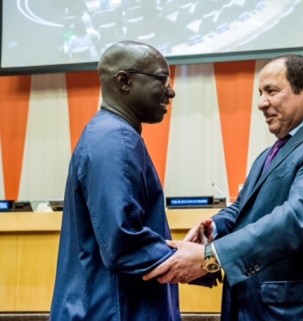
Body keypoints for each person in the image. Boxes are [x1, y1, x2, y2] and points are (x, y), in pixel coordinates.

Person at [143, 55, 303, 320]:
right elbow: (244, 207)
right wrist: (214, 228)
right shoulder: (270, 153)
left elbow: (299, 218)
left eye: (271, 91)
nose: (261, 103)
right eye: (260, 93)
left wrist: (210, 256)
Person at [49, 41, 181, 321]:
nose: (170, 91)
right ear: (124, 81)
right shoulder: (114, 139)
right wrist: (202, 260)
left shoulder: (111, 134)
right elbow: (122, 244)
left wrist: (180, 248)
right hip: (112, 310)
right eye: (161, 79)